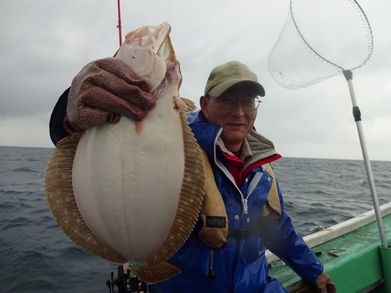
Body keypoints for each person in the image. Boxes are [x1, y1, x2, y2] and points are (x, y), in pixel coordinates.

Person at [49, 59, 335, 292]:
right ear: (205, 103)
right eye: (226, 100)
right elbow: (107, 142)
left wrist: (315, 271)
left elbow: (278, 230)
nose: (238, 112)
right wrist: (73, 110)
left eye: (247, 102)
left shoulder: (259, 163)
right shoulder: (173, 139)